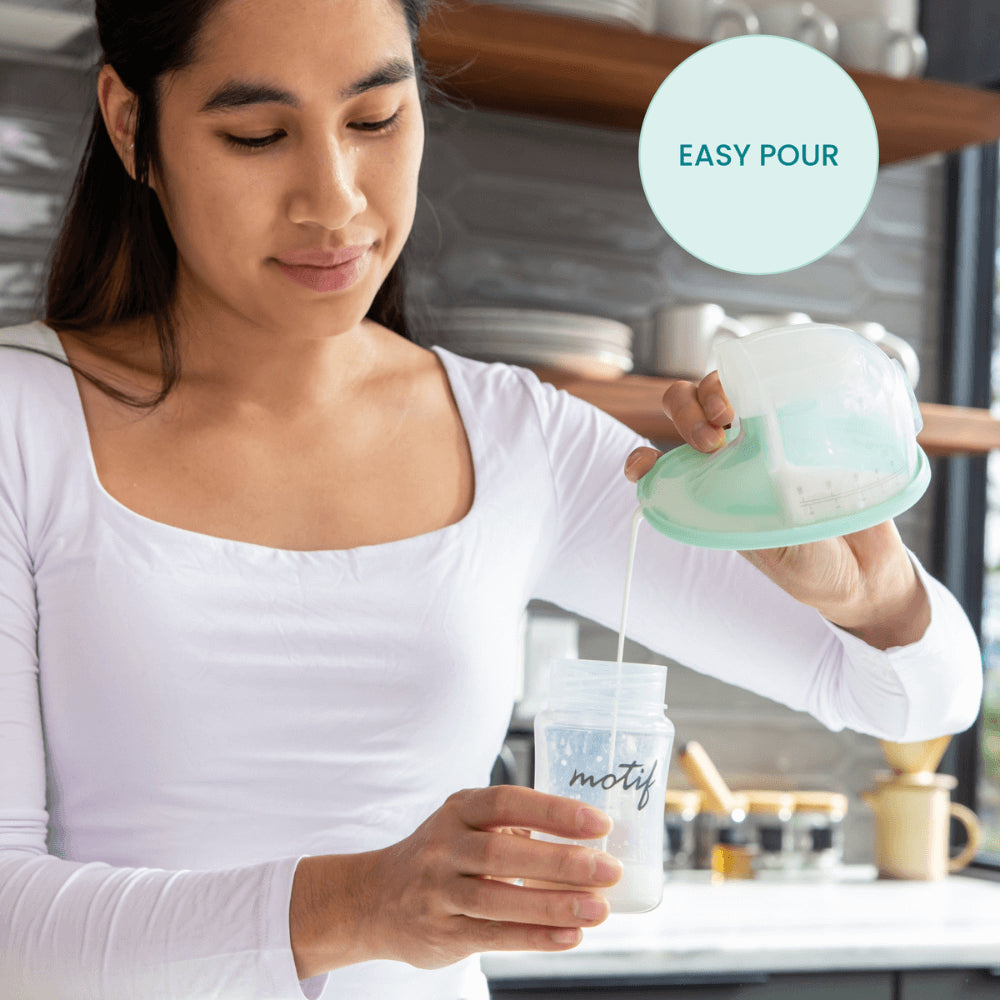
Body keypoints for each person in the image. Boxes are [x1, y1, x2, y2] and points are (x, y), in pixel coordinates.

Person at [0, 0, 982, 998]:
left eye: (376, 117)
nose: (333, 201)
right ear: (131, 124)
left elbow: (915, 696)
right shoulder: (20, 423)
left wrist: (867, 587)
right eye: (255, 135)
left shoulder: (517, 436)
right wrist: (357, 905)